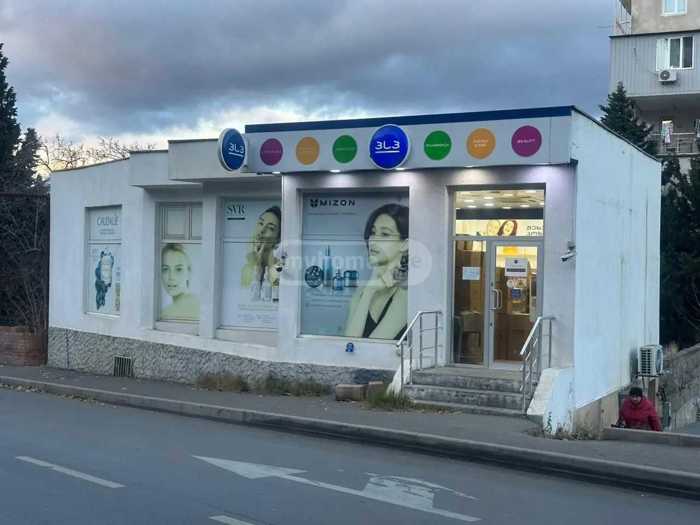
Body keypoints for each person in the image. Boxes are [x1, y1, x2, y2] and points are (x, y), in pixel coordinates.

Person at [344, 204, 408, 340]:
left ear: (405, 244)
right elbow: (349, 343)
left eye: (385, 234)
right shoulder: (363, 290)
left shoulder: (406, 293)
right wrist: (369, 290)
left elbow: (374, 348)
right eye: (373, 232)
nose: (373, 240)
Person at [240, 206, 282, 288]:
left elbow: (275, 291)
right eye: (261, 223)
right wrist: (257, 265)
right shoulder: (246, 264)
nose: (262, 230)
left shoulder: (278, 268)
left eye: (270, 228)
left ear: (278, 238)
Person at [160, 243, 200, 320]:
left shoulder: (167, 313)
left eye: (178, 269)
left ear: (189, 272)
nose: (171, 277)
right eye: (165, 269)